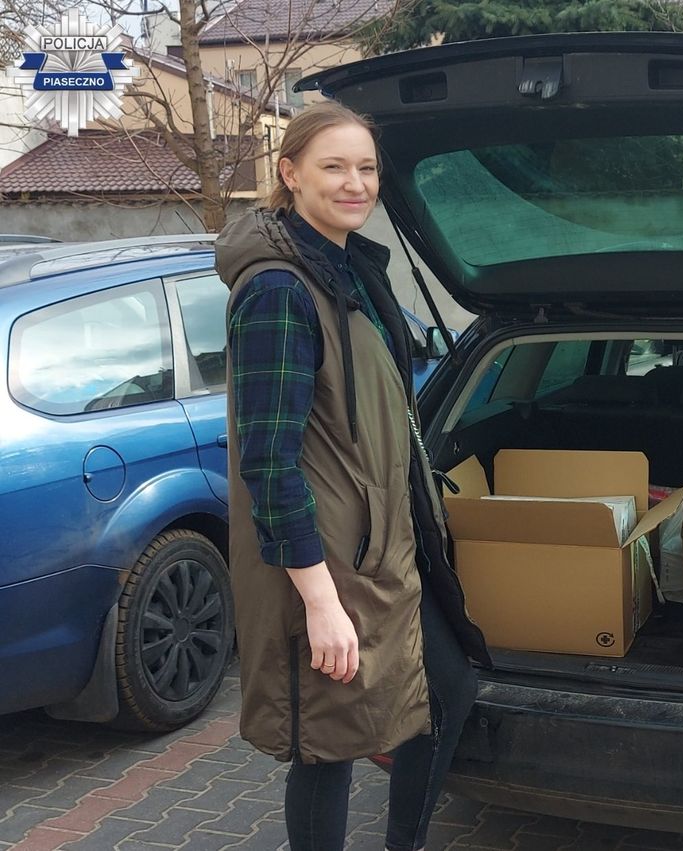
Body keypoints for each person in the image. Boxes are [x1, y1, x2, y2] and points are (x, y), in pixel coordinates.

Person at [217, 101, 490, 851]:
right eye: (333, 166)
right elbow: (267, 459)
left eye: (366, 168)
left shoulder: (347, 267)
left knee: (445, 690)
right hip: (323, 561)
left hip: (377, 547)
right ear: (289, 173)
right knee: (326, 742)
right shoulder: (278, 291)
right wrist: (320, 603)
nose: (355, 183)